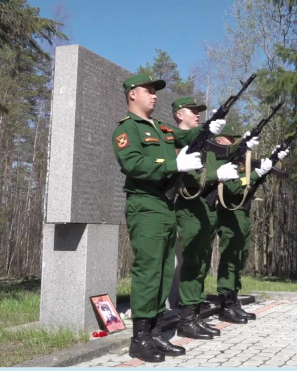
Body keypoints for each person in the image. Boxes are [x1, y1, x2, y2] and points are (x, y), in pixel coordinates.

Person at [112, 75, 226, 363]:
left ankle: (156, 335)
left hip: (165, 205)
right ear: (132, 94)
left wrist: (208, 129)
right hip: (145, 203)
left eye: (155, 92)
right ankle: (140, 339)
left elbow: (184, 136)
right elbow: (133, 163)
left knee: (163, 271)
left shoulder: (161, 128)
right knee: (148, 269)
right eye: (148, 91)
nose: (154, 96)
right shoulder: (127, 130)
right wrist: (174, 164)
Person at [172, 98, 260, 338]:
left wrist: (244, 146)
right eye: (193, 111)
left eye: (200, 112)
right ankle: (186, 318)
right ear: (180, 114)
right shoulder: (176, 141)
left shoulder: (205, 143)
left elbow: (223, 160)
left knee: (201, 261)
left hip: (205, 208)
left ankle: (194, 314)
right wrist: (215, 174)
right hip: (190, 206)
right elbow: (189, 178)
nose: (198, 115)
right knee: (193, 262)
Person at [213, 129, 288, 324]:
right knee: (230, 258)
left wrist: (269, 161)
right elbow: (235, 187)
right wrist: (256, 173)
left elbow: (250, 181)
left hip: (242, 213)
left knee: (240, 257)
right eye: (229, 139)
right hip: (229, 211)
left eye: (235, 140)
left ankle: (234, 299)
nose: (232, 142)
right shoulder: (220, 162)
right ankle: (225, 303)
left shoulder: (237, 162)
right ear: (217, 140)